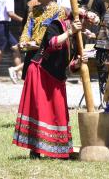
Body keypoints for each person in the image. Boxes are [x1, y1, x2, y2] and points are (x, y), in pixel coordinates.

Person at [13, 10, 86, 159]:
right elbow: (51, 43)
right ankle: (35, 150)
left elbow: (71, 67)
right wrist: (69, 32)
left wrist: (78, 62)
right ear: (71, 20)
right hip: (41, 71)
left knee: (57, 113)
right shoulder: (56, 25)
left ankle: (58, 150)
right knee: (40, 111)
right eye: (80, 22)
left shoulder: (76, 37)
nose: (82, 27)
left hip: (57, 77)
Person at [18, 0, 67, 80]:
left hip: (49, 54)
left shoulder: (59, 11)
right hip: (32, 50)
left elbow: (57, 33)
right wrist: (23, 41)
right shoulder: (34, 10)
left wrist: (39, 44)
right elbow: (28, 28)